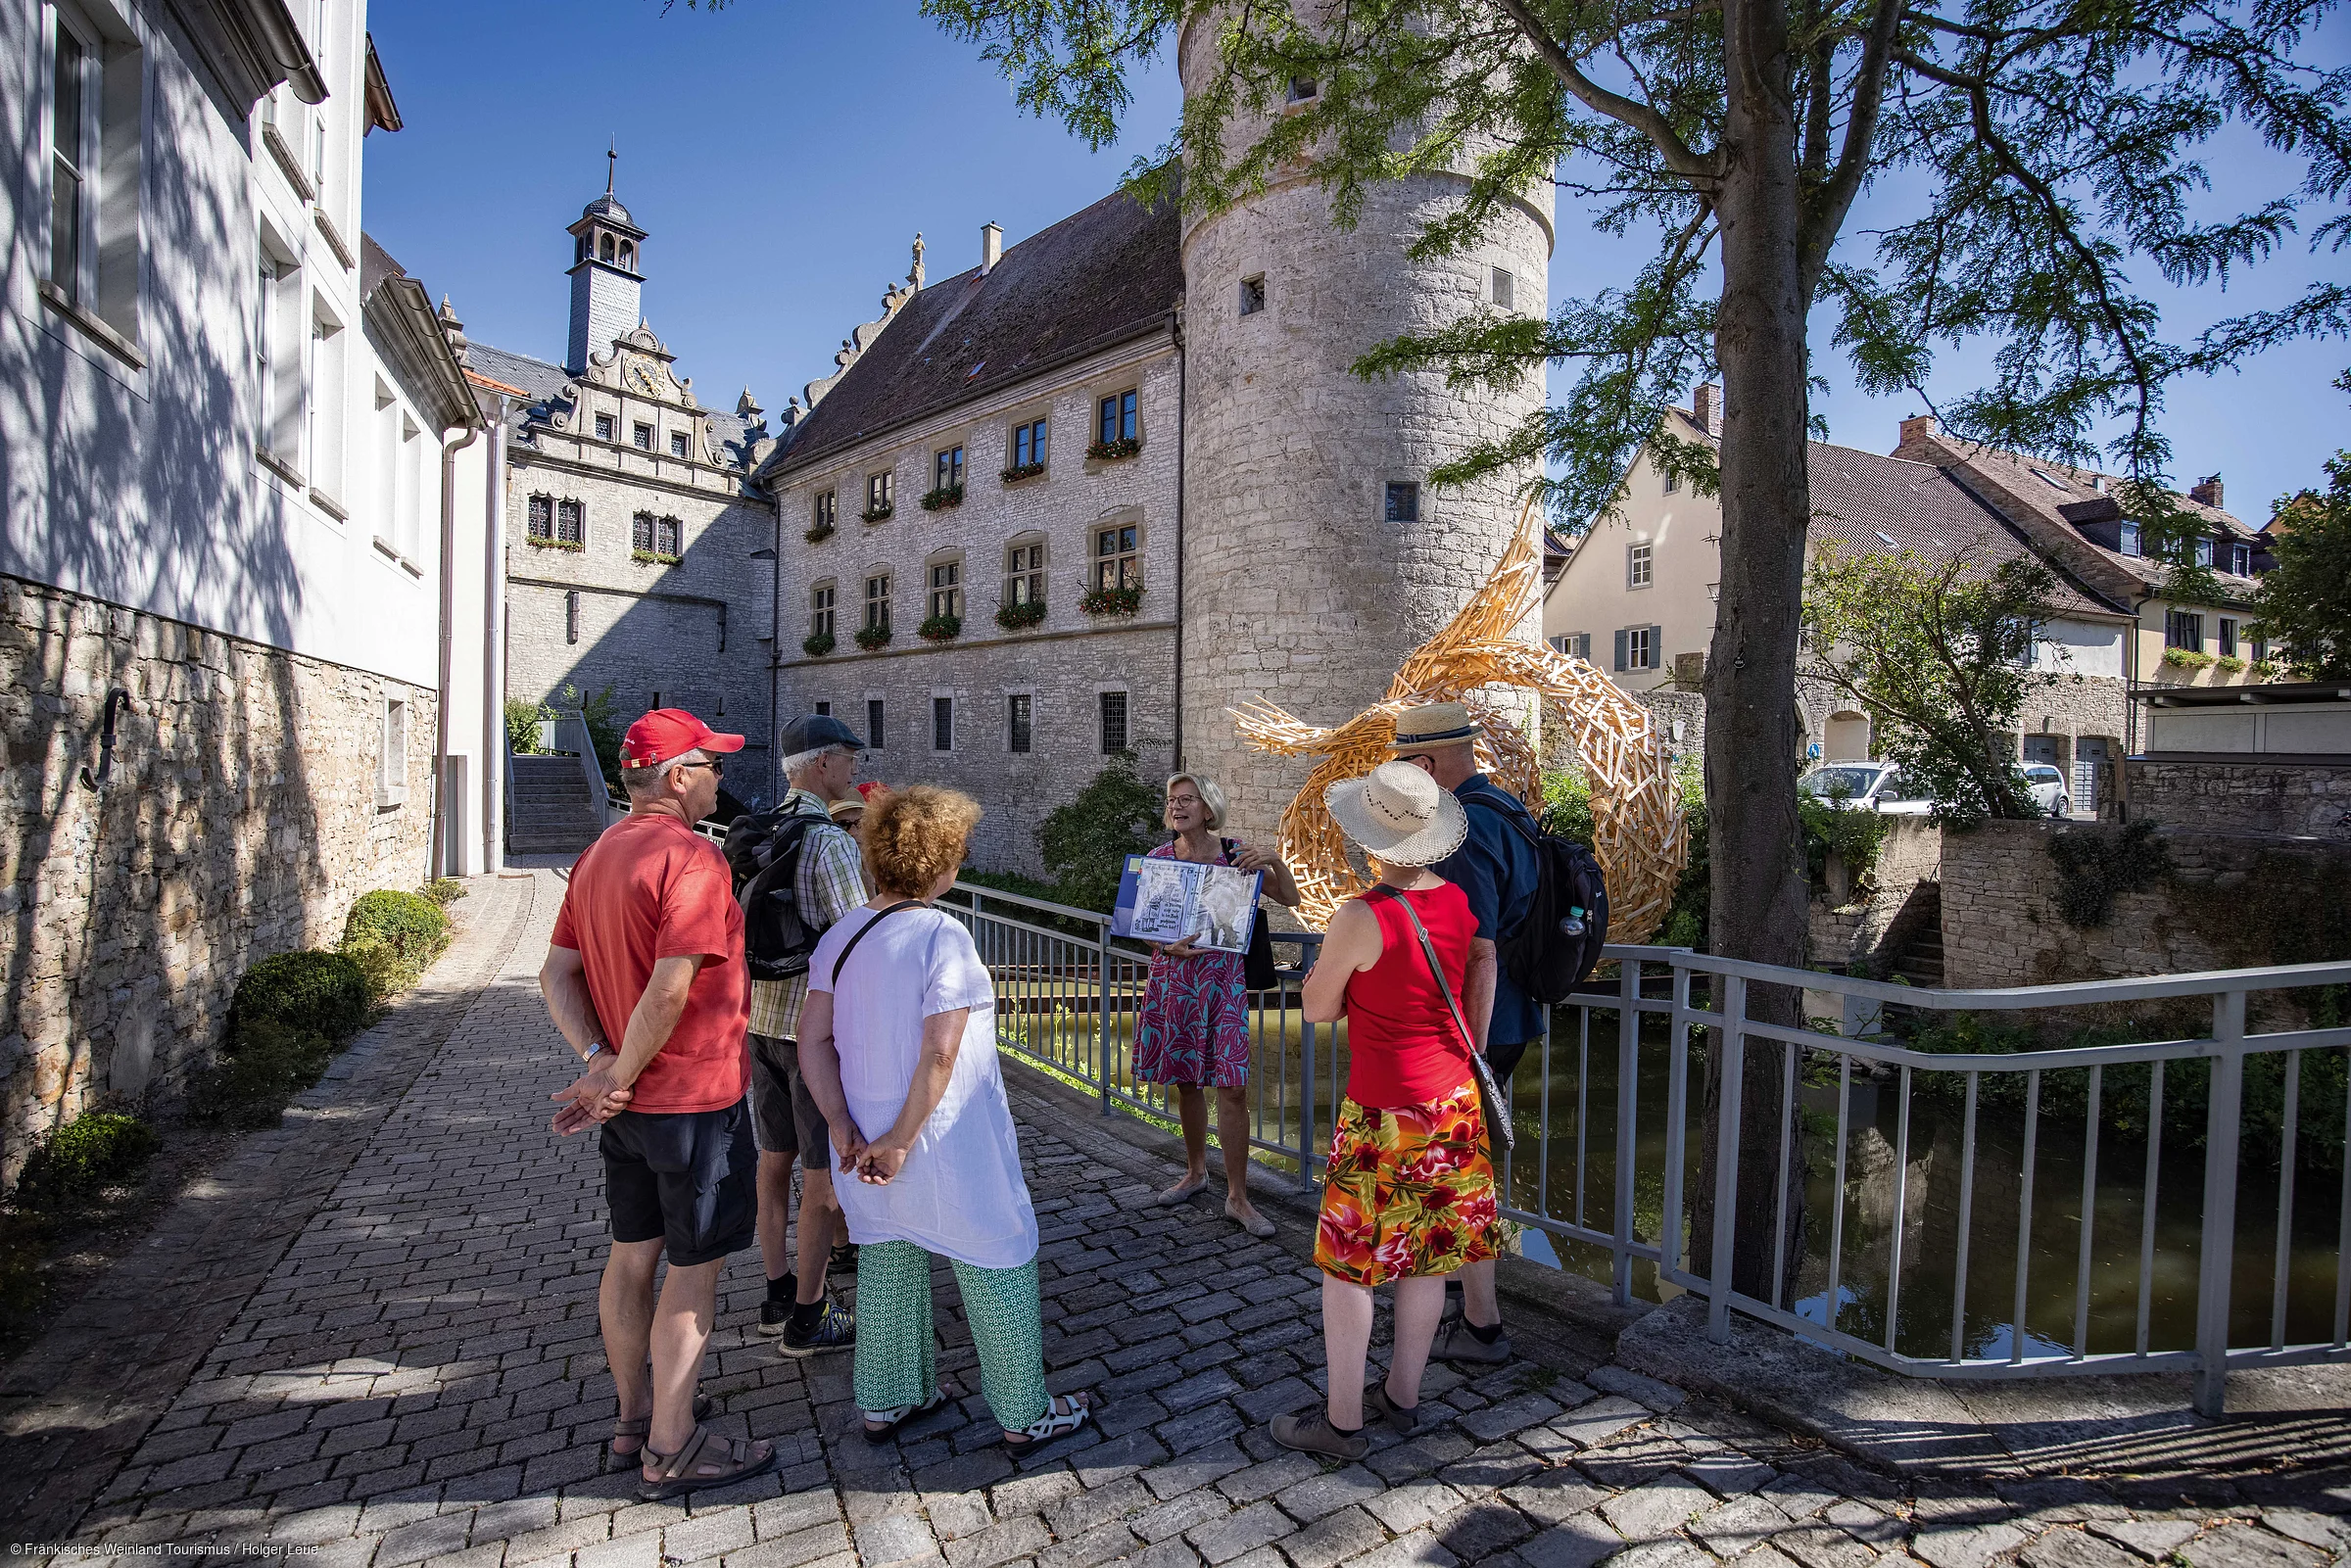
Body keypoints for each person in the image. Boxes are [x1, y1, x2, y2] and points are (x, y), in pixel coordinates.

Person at [795, 786, 1101, 1450]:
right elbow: (941, 1049)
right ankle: (1024, 1412)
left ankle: (888, 1399)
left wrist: (842, 1125)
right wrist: (900, 1141)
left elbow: (812, 1039)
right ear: (939, 862)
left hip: (862, 1145)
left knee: (887, 1258)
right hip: (940, 1142)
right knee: (999, 1251)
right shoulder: (944, 934)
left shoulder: (842, 935)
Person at [539, 707, 776, 1499]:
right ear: (679, 777)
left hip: (629, 1112)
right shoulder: (694, 861)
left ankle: (634, 1414)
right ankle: (672, 1447)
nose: (721, 778)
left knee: (631, 1253)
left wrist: (601, 1063)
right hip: (692, 1102)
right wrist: (616, 1072)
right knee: (694, 1270)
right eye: (713, 764)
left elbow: (556, 974)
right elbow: (672, 986)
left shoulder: (598, 854)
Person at [1274, 760, 1500, 1460]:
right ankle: (1402, 1399)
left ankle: (1343, 1423)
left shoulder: (1360, 916)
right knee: (1428, 1259)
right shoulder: (1459, 906)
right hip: (1453, 1105)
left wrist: (1336, 985)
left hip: (1384, 1113)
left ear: (1373, 838)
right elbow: (1475, 972)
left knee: (1349, 1267)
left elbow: (1316, 1008)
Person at [1391, 701, 1541, 1365]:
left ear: (1426, 763)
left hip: (1476, 1029)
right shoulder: (1506, 808)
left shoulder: (1467, 827)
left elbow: (1477, 951)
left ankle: (1477, 1324)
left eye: (1404, 763)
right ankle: (1478, 1316)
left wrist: (1465, 1054)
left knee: (1445, 1179)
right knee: (1462, 1174)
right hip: (1507, 1016)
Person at [733, 714, 870, 1353]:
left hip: (758, 1019)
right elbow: (855, 944)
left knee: (771, 1162)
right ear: (821, 765)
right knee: (822, 1177)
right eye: (846, 757)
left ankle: (777, 1292)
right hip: (810, 1036)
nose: (852, 769)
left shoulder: (760, 828)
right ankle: (810, 1319)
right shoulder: (828, 841)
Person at [1130, 774, 1301, 1237]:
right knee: (1186, 1083)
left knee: (1233, 1089)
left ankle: (1239, 1198)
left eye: (1187, 799)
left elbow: (1290, 898)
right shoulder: (1159, 859)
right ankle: (1196, 1172)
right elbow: (1137, 920)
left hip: (1224, 984)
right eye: (1172, 800)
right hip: (1174, 980)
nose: (1177, 807)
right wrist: (1165, 948)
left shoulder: (1236, 854)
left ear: (1209, 808)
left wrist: (1273, 862)